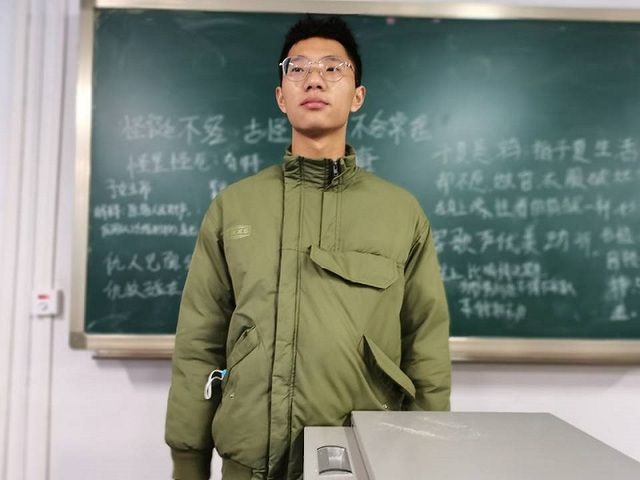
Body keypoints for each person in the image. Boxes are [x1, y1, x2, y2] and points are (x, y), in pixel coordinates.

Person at [165, 14, 451, 480]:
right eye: (296, 68)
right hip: (248, 462)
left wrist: (425, 456)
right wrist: (188, 461)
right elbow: (199, 340)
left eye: (333, 68)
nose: (314, 79)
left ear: (357, 96)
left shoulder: (401, 213)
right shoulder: (235, 207)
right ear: (281, 96)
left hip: (361, 458)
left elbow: (426, 346)